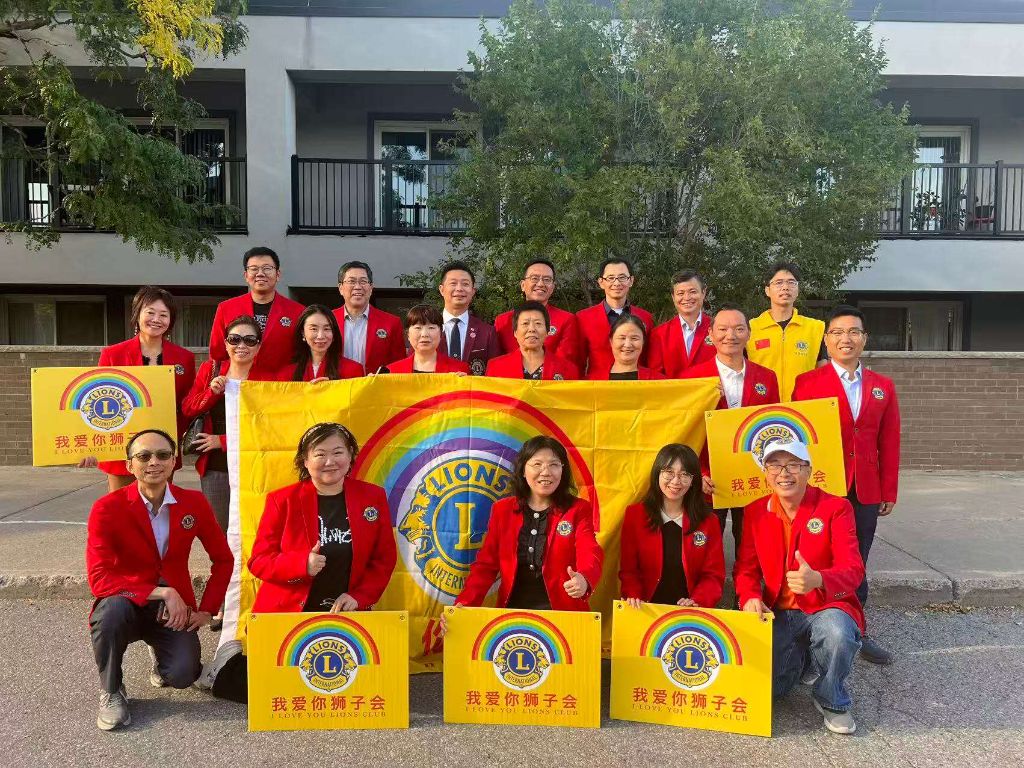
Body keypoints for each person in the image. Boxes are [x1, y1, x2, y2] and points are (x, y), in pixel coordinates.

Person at [86, 429, 232, 731]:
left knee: (182, 674)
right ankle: (112, 691)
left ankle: (162, 659)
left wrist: (207, 610)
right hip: (126, 599)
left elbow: (224, 559)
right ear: (129, 465)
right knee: (110, 614)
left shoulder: (193, 502)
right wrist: (163, 593)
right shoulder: (107, 508)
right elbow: (100, 579)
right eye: (143, 456)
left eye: (163, 455)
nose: (154, 462)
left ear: (174, 461)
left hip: (174, 610)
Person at [792, 305, 900, 666]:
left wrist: (889, 490)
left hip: (865, 488)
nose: (846, 339)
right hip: (823, 485)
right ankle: (814, 627)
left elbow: (889, 440)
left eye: (853, 332)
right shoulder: (807, 384)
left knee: (858, 559)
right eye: (837, 333)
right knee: (820, 554)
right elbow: (797, 440)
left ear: (864, 339)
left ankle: (856, 629)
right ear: (826, 341)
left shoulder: (882, 387)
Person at [735, 440, 865, 735]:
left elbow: (854, 570)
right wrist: (750, 596)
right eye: (775, 465)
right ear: (766, 473)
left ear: (809, 471)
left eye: (794, 464)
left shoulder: (836, 508)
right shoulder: (755, 511)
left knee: (837, 635)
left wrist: (818, 579)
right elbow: (746, 569)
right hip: (777, 611)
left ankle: (831, 697)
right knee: (770, 689)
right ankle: (804, 658)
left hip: (824, 606)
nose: (784, 473)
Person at [249, 422, 397, 613]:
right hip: (287, 614)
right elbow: (259, 561)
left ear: (350, 454)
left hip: (348, 614)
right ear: (305, 460)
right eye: (320, 454)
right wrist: (302, 564)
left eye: (337, 452)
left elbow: (384, 558)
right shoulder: (282, 500)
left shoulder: (372, 497)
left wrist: (360, 596)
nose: (330, 462)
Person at [454, 435, 603, 611]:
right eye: (537, 464)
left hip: (565, 616)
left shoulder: (578, 509)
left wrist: (584, 579)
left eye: (554, 465)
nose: (546, 472)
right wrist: (463, 605)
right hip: (512, 615)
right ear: (523, 470)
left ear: (563, 471)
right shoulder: (502, 510)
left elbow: (590, 551)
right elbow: (485, 567)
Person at [683, 304, 780, 555]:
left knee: (749, 540)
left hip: (752, 478)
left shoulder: (767, 378)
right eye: (723, 329)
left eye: (739, 329)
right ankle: (703, 594)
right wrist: (697, 472)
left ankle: (745, 592)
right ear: (711, 335)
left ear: (749, 334)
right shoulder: (693, 378)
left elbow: (772, 429)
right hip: (707, 479)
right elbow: (685, 432)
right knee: (702, 542)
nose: (731, 336)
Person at [83, 286, 196, 492]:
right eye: (150, 312)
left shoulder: (184, 358)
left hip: (162, 450)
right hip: (121, 450)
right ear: (137, 314)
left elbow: (187, 404)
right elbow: (95, 401)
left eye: (163, 314)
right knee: (122, 511)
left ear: (171, 320)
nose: (156, 319)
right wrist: (89, 446)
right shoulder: (112, 355)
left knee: (158, 509)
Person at [183, 316, 265, 536]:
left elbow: (270, 426)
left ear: (259, 345)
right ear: (226, 343)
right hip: (215, 468)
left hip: (253, 463)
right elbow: (189, 408)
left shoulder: (267, 378)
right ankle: (224, 569)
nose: (241, 346)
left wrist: (222, 441)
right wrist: (212, 392)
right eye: (234, 339)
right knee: (220, 529)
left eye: (249, 340)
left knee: (253, 527)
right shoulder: (211, 369)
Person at [619, 444, 724, 609]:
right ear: (657, 474)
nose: (676, 481)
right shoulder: (635, 515)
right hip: (645, 610)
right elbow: (629, 571)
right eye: (669, 472)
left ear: (693, 480)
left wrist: (698, 600)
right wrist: (633, 595)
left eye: (684, 475)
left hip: (689, 612)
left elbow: (713, 575)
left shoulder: (709, 521)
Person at [208, 246, 304, 380]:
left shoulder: (297, 311)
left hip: (279, 388)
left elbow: (301, 355)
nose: (260, 273)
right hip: (238, 386)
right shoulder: (226, 308)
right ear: (246, 275)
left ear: (278, 274)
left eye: (267, 268)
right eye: (254, 269)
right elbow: (217, 353)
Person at [746, 261, 826, 401]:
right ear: (767, 290)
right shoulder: (750, 328)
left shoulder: (816, 328)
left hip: (803, 408)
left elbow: (824, 373)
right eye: (778, 283)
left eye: (791, 282)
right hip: (761, 408)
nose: (785, 287)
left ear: (797, 290)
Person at [575, 258, 654, 375]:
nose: (617, 283)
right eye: (610, 278)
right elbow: (577, 362)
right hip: (599, 388)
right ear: (601, 282)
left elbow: (649, 359)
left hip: (637, 387)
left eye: (622, 277)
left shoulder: (645, 317)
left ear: (631, 280)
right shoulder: (583, 318)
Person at [494, 258, 580, 365]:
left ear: (552, 287)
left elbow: (566, 364)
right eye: (534, 278)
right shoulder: (503, 321)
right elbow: (497, 363)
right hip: (510, 380)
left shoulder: (566, 320)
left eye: (547, 279)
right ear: (523, 285)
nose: (540, 284)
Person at [332, 260, 405, 374]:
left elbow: (398, 365)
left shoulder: (391, 323)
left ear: (371, 287)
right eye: (351, 281)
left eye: (363, 281)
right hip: (337, 388)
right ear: (340, 288)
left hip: (375, 389)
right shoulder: (328, 320)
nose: (357, 287)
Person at [648, 270, 717, 378]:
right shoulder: (659, 335)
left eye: (693, 292)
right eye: (680, 293)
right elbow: (655, 376)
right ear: (673, 297)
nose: (687, 298)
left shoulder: (719, 329)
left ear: (703, 293)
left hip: (712, 394)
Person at [486, 301, 580, 380]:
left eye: (538, 323)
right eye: (525, 323)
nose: (532, 329)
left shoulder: (569, 370)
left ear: (547, 331)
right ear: (515, 332)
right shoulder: (495, 367)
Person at [438, 260, 501, 375]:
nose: (459, 289)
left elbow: (495, 374)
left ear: (473, 291)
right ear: (442, 289)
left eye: (465, 284)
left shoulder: (487, 332)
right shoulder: (427, 328)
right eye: (453, 283)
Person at [277, 304, 364, 382]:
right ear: (303, 333)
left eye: (327, 329)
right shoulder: (286, 374)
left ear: (334, 333)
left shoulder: (353, 370)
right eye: (314, 329)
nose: (320, 336)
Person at [387, 304, 471, 374]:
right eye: (418, 328)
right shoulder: (392, 371)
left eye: (431, 328)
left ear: (441, 333)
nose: (424, 334)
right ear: (408, 334)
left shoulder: (459, 369)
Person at [586, 314, 665, 380]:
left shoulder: (659, 382)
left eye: (634, 338)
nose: (627, 345)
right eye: (622, 338)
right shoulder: (590, 383)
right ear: (611, 341)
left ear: (643, 342)